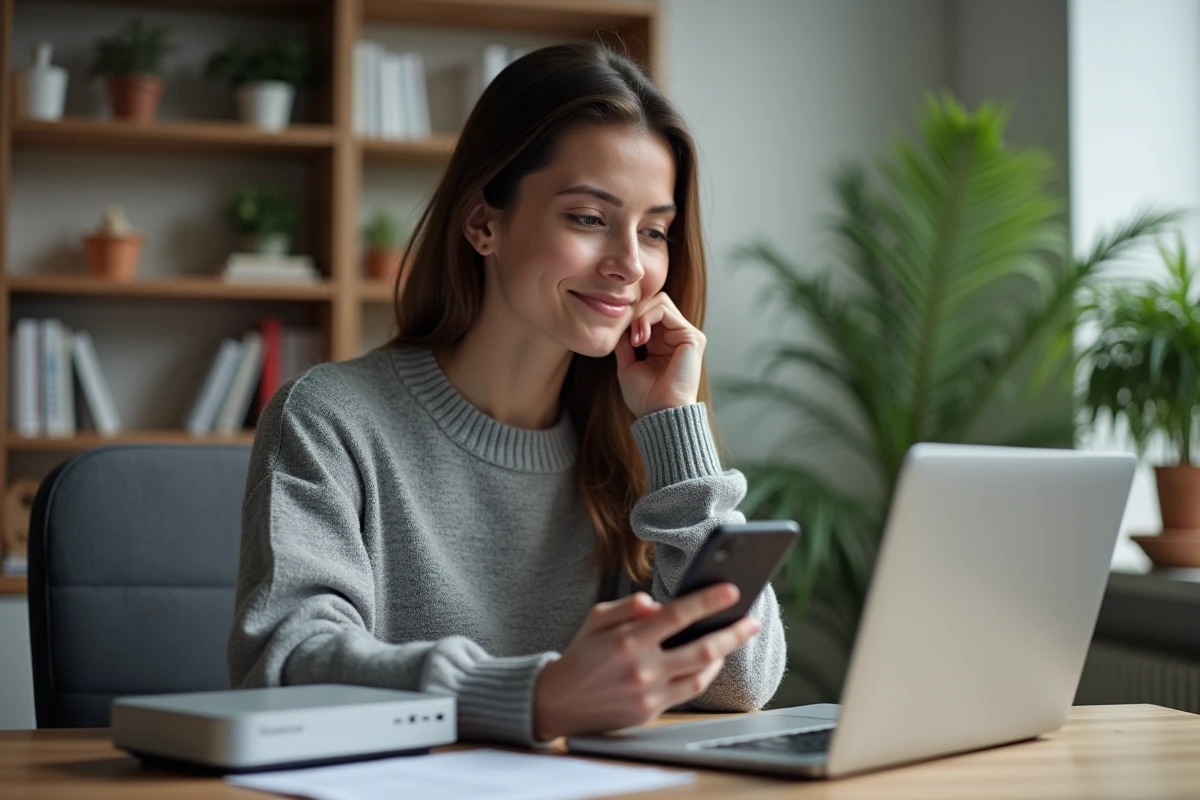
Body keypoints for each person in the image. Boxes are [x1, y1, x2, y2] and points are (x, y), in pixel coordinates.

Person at [228, 42, 785, 746]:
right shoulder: (330, 418)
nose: (629, 266)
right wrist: (535, 696)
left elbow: (740, 680)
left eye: (654, 231)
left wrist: (677, 429)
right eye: (588, 218)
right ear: (484, 223)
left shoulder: (632, 439)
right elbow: (283, 663)